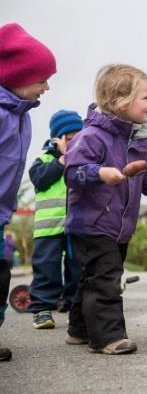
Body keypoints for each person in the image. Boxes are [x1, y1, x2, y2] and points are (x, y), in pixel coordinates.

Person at [63, 64, 147, 355]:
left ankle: (79, 328)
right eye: (146, 97)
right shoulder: (91, 137)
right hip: (92, 224)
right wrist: (101, 173)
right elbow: (72, 174)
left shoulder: (142, 137)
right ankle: (107, 337)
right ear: (119, 101)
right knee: (107, 279)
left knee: (93, 276)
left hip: (120, 226)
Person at [0, 22, 57, 362]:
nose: (47, 86)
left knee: (1, 273)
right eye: (41, 79)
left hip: (2, 212)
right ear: (17, 75)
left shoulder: (22, 115)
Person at [28, 110, 84, 329]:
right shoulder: (43, 160)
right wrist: (62, 159)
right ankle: (42, 309)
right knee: (46, 269)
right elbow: (40, 180)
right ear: (57, 139)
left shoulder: (83, 159)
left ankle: (74, 307)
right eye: (69, 138)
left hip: (76, 227)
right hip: (48, 229)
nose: (75, 142)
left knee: (77, 269)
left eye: (79, 137)